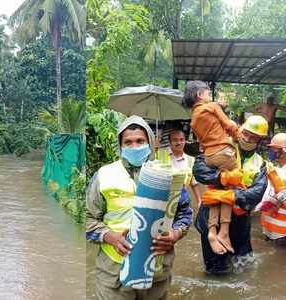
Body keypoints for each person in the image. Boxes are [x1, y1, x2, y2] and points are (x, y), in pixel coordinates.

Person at [86, 115, 192, 300]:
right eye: (128, 142)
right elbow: (85, 218)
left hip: (156, 270)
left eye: (140, 141)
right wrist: (110, 237)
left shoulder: (169, 175)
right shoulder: (104, 175)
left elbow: (184, 213)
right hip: (114, 272)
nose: (134, 146)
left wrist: (175, 234)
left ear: (150, 143)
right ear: (120, 146)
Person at [193, 115, 269, 274]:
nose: (247, 139)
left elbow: (258, 192)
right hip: (211, 217)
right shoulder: (222, 145)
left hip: (240, 221)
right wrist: (221, 177)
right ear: (240, 130)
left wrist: (232, 196)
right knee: (215, 271)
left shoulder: (260, 163)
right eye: (246, 134)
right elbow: (199, 168)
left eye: (253, 137)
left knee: (244, 267)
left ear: (260, 140)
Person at [183, 80, 240, 255]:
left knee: (215, 192)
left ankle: (212, 232)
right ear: (200, 95)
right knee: (229, 190)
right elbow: (229, 125)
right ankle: (224, 232)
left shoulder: (193, 119)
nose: (210, 95)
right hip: (224, 152)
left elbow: (201, 142)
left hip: (209, 157)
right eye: (207, 92)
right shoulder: (212, 107)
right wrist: (238, 134)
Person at [157, 129, 202, 207]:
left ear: (185, 141)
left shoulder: (190, 159)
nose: (179, 143)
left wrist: (199, 201)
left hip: (183, 200)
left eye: (182, 140)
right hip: (164, 198)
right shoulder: (162, 155)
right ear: (170, 142)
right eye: (175, 140)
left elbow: (193, 182)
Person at [257, 133, 286, 245]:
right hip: (269, 231)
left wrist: (278, 185)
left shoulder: (276, 173)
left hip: (283, 235)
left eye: (274, 149)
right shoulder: (276, 169)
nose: (271, 152)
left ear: (283, 151)